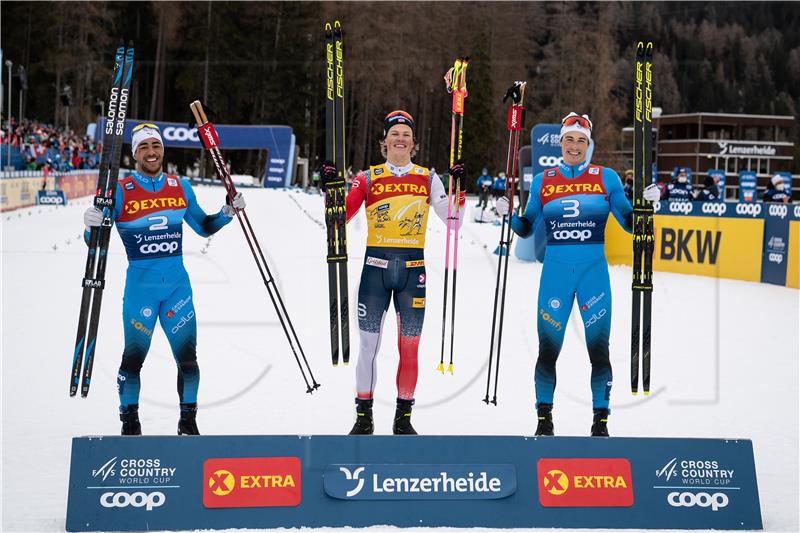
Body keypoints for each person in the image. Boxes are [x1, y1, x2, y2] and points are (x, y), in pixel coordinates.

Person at [496, 112, 660, 437]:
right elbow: (527, 228)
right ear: (560, 143)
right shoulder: (544, 180)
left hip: (592, 274)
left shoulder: (607, 177)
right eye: (568, 139)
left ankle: (601, 421)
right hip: (556, 274)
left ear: (589, 145)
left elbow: (630, 223)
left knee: (599, 350)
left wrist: (646, 206)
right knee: (547, 350)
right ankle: (544, 419)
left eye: (580, 140)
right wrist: (509, 217)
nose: (574, 146)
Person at [82, 123, 245, 436]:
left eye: (155, 145)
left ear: (163, 149)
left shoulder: (179, 186)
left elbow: (204, 226)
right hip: (140, 290)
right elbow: (96, 243)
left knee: (188, 361)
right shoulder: (120, 189)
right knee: (133, 360)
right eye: (144, 147)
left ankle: (188, 423)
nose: (151, 152)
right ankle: (130, 424)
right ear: (135, 154)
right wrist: (90, 226)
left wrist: (227, 212)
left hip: (176, 289)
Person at [321, 110, 465, 436]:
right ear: (384, 141)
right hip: (375, 271)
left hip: (413, 274)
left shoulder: (428, 178)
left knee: (409, 347)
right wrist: (330, 187)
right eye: (394, 133)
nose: (400, 138)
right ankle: (364, 416)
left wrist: (461, 188)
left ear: (414, 143)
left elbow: (454, 221)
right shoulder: (367, 177)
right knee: (368, 348)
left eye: (406, 134)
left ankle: (403, 417)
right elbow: (338, 218)